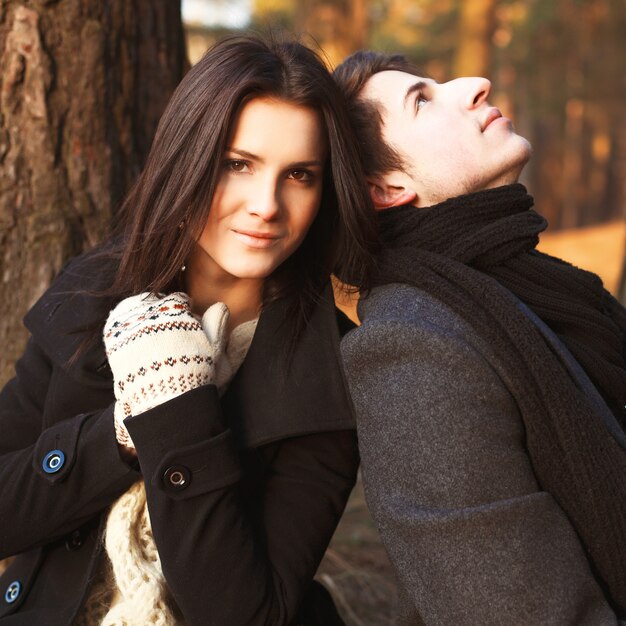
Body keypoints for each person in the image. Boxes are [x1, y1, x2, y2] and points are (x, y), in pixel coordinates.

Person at [0, 34, 377, 625]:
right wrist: (123, 431)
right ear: (188, 158)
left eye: (299, 174)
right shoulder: (93, 292)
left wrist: (176, 412)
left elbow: (246, 615)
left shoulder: (332, 366)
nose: (266, 205)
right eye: (238, 164)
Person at [335, 51, 626, 624]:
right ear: (386, 188)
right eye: (422, 100)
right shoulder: (411, 349)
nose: (475, 84)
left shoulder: (539, 289)